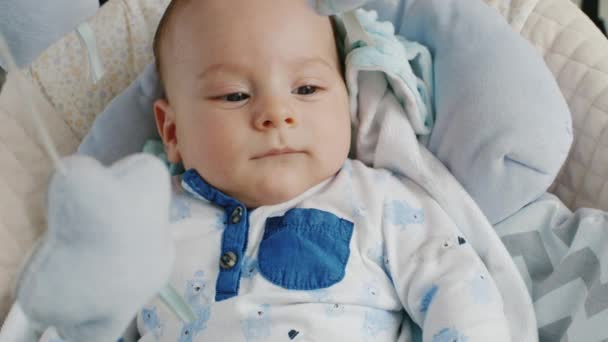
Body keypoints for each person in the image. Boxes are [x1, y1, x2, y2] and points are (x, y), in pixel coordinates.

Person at [144, 0, 511, 340]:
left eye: (306, 88)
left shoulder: (381, 201)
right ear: (173, 132)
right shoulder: (144, 220)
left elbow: (459, 290)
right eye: (235, 95)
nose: (276, 113)